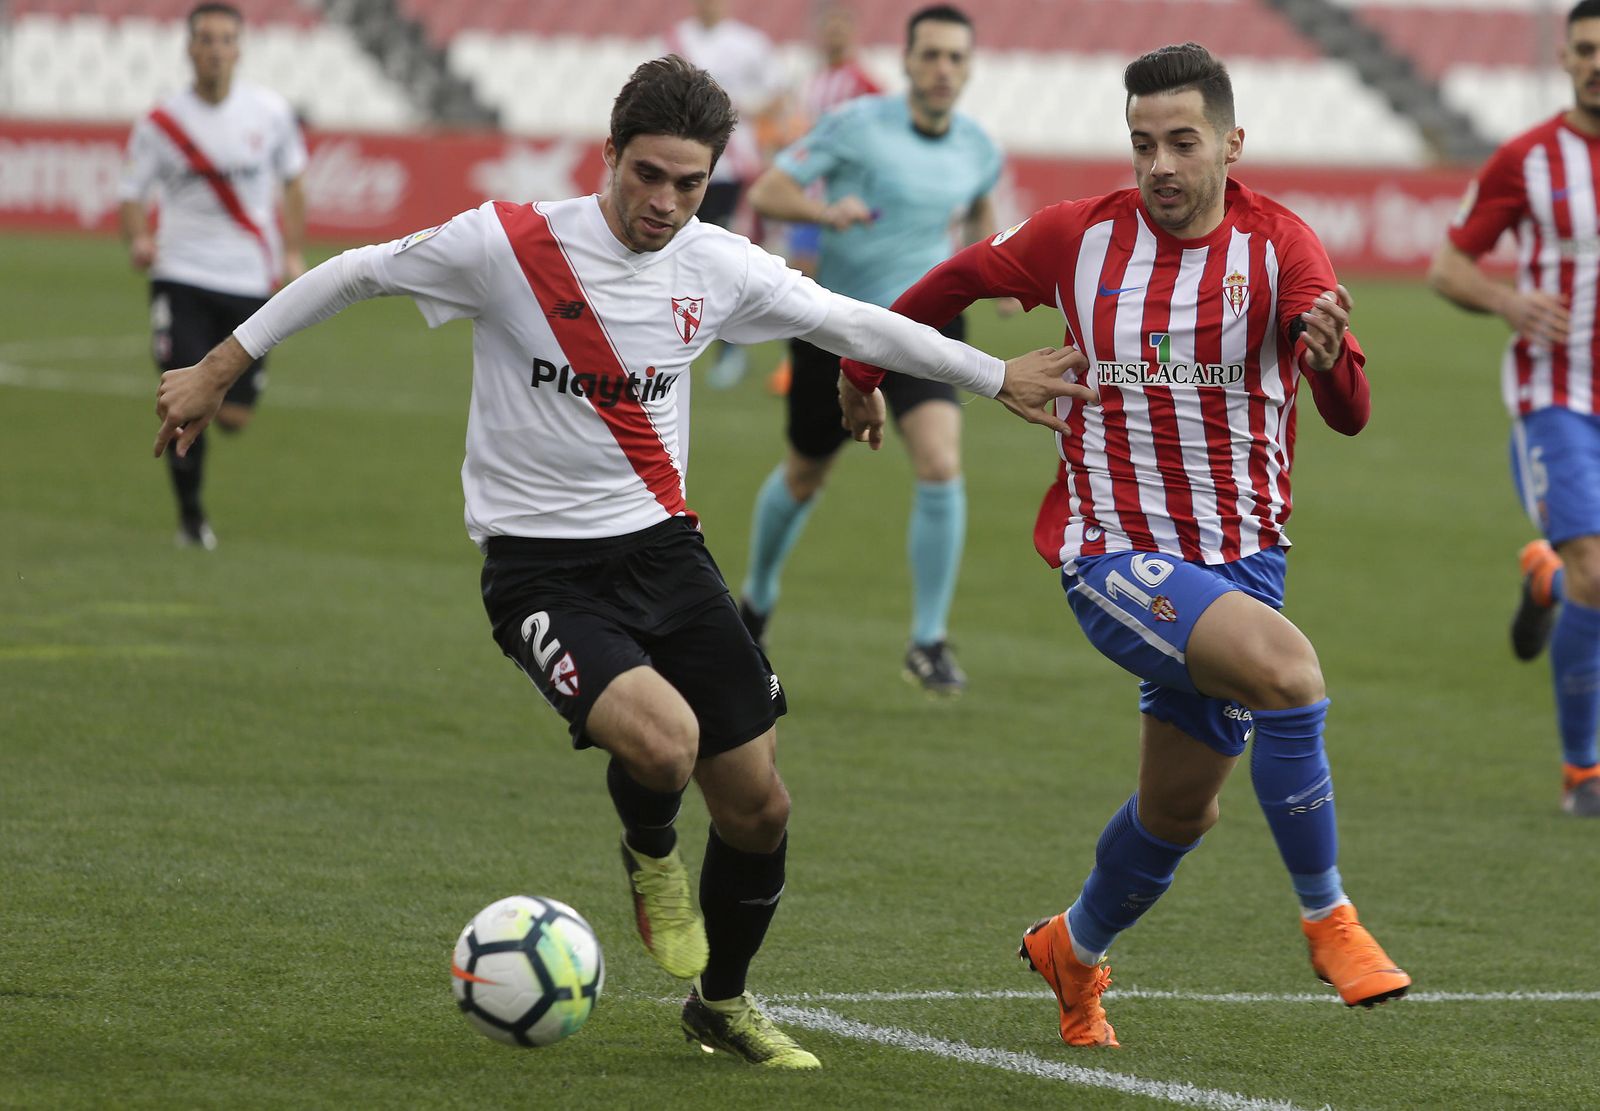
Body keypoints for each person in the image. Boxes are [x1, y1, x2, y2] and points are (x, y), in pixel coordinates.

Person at [150, 56, 1093, 1067]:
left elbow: (845, 318)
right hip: (539, 570)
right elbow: (357, 271)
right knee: (664, 744)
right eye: (647, 175)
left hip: (665, 552)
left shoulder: (715, 262)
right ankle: (650, 850)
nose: (665, 203)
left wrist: (991, 372)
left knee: (760, 804)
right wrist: (218, 366)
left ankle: (721, 1002)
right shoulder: (508, 243)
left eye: (690, 183)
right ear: (608, 154)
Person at [839, 42, 1411, 1047]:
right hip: (1110, 553)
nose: (1159, 164)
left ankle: (1073, 947)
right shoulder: (1079, 236)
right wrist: (860, 369)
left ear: (1232, 144)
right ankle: (1331, 920)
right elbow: (949, 282)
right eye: (1142, 143)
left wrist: (1326, 360)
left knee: (1180, 811)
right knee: (1290, 675)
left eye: (1182, 142)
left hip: (1242, 566)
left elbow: (1351, 411)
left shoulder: (1281, 246)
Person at [740, 4, 1010, 696]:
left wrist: (1002, 272)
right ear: (908, 62)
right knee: (805, 474)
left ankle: (929, 641)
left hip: (924, 326)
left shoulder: (978, 147)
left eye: (955, 57)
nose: (943, 69)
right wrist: (825, 213)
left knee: (941, 462)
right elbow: (770, 190)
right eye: (931, 55)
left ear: (969, 68)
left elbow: (981, 209)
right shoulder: (857, 124)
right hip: (838, 324)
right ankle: (756, 602)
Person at [1426, 0, 1600, 818]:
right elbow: (1448, 266)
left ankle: (1546, 577)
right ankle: (1583, 771)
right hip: (1556, 394)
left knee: (1587, 578)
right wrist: (1506, 300)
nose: (1598, 64)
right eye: (1587, 49)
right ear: (1564, 57)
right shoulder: (1528, 159)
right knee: (1598, 571)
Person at [119, 0, 307, 550]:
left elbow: (294, 181)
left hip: (249, 279)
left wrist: (293, 250)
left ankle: (216, 430)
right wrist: (139, 238)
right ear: (190, 48)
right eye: (206, 39)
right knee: (184, 398)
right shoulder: (161, 122)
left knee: (235, 416)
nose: (216, 50)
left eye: (227, 40)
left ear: (239, 49)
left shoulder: (271, 114)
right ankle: (191, 520)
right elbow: (131, 193)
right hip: (180, 275)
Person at [664, 0, 786, 389]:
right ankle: (674, 341)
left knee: (726, 256)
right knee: (679, 252)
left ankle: (730, 348)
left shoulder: (749, 43)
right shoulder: (676, 38)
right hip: (686, 160)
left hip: (735, 165)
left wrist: (739, 112)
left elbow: (777, 95)